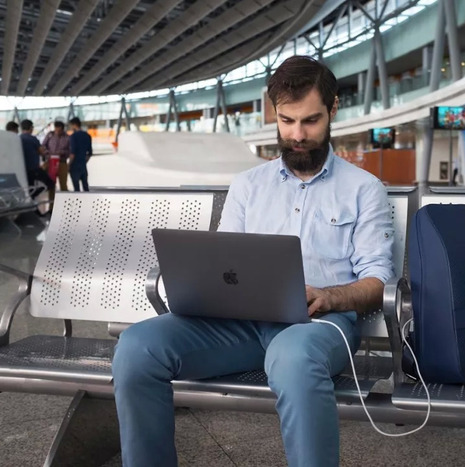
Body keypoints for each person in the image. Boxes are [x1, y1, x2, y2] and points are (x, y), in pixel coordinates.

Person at [111, 56, 394, 467]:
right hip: (239, 325)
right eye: (287, 121)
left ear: (333, 110)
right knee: (136, 348)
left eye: (311, 121)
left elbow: (377, 283)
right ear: (273, 113)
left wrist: (329, 297)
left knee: (293, 358)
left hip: (318, 326)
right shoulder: (247, 186)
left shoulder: (364, 189)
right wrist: (199, 286)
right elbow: (224, 264)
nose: (297, 135)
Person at [19, 119, 54, 199]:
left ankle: (32, 202)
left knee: (30, 188)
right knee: (50, 184)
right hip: (34, 169)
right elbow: (41, 152)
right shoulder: (32, 139)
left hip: (23, 169)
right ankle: (32, 197)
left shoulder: (18, 138)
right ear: (31, 128)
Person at [42, 121, 71, 191]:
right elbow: (43, 146)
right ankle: (52, 201)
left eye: (59, 130)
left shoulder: (67, 137)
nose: (57, 132)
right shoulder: (50, 135)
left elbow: (70, 150)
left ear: (63, 129)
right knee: (51, 184)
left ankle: (64, 200)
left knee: (63, 184)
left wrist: (62, 153)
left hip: (62, 162)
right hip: (51, 162)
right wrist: (48, 153)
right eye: (56, 130)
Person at [68, 117, 92, 191]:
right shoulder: (87, 136)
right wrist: (84, 161)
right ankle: (88, 202)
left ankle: (79, 202)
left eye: (71, 126)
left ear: (74, 125)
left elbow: (72, 153)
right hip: (83, 165)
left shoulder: (73, 136)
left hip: (75, 166)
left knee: (76, 189)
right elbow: (89, 153)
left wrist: (69, 165)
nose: (71, 127)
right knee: (85, 186)